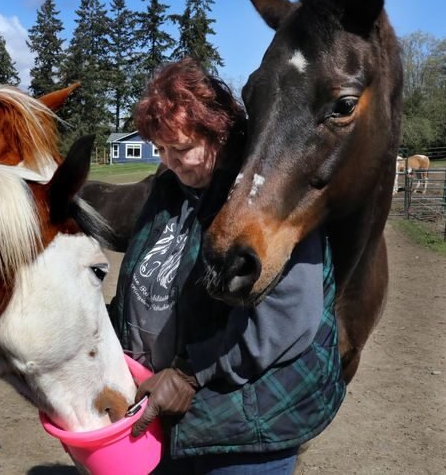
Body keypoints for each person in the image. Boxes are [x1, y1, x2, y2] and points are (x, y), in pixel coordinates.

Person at [108, 58, 345, 474]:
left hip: (240, 433)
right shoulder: (169, 190)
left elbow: (287, 319)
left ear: (217, 133)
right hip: (172, 418)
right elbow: (137, 280)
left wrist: (189, 372)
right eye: (160, 150)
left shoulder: (268, 197)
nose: (169, 162)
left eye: (180, 149)